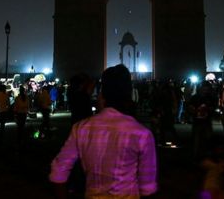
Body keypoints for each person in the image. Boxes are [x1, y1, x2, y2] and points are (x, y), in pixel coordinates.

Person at [50, 64, 158, 198]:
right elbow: (147, 187)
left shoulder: (81, 128)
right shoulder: (141, 134)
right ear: (129, 94)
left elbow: (58, 171)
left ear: (102, 93)